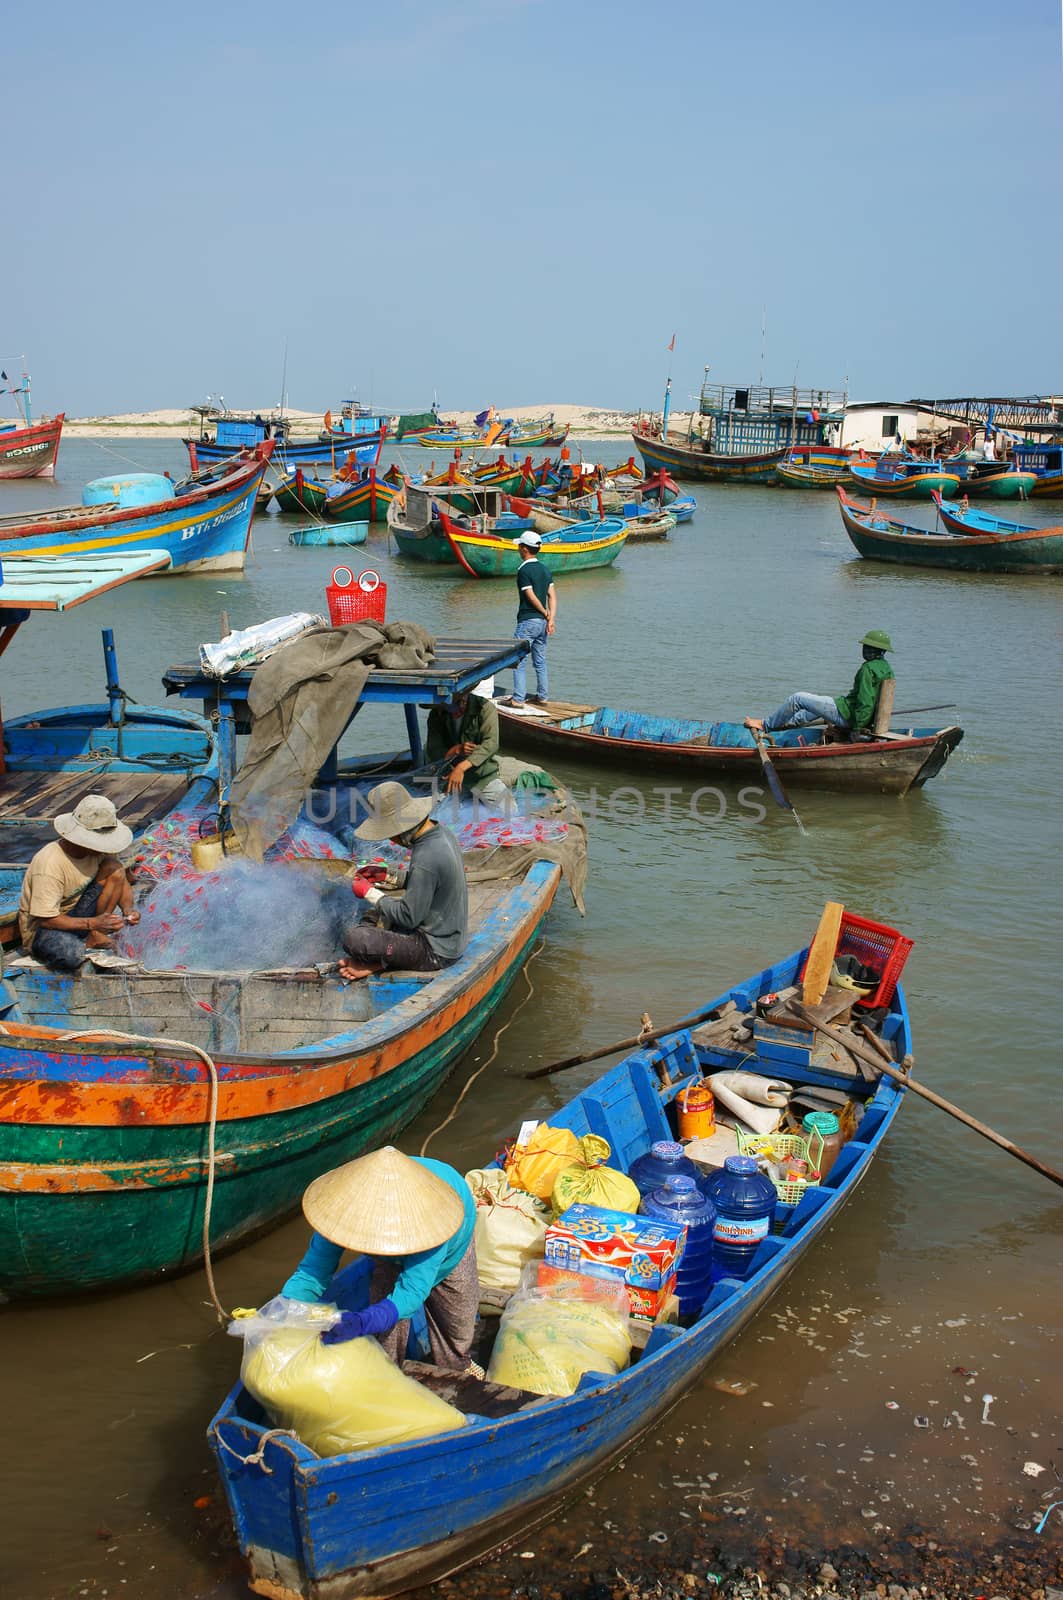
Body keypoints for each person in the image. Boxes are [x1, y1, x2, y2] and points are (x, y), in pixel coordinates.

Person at [281, 1146, 479, 1371]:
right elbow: (312, 1273)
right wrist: (284, 1307)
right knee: (385, 1336)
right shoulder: (340, 1211)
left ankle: (459, 1364)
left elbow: (412, 1292)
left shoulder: (434, 1219)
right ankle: (388, 1371)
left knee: (457, 1325)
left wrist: (362, 1321)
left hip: (450, 1240)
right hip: (391, 1255)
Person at [341, 781, 467, 980]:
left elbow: (409, 917)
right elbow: (429, 882)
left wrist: (368, 892)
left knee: (355, 939)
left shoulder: (427, 855)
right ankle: (380, 959)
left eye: (393, 835)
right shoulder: (441, 833)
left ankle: (377, 963)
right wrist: (389, 876)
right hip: (450, 937)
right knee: (376, 912)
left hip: (436, 951)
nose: (393, 841)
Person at [18, 795, 139, 971]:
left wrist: (129, 910)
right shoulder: (50, 863)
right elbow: (45, 920)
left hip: (82, 916)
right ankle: (90, 937)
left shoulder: (100, 852)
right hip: (45, 930)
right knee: (72, 954)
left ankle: (95, 936)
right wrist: (92, 923)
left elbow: (122, 882)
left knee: (115, 868)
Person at [745, 630, 895, 739]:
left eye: (870, 648)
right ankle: (788, 723)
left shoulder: (867, 669)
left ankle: (766, 724)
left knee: (797, 699)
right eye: (866, 647)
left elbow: (865, 702)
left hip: (849, 716)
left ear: (880, 651)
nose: (866, 650)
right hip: (853, 711)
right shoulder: (886, 668)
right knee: (815, 707)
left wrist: (856, 728)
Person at [425, 677, 510, 807]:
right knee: (435, 813)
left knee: (510, 812)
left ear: (462, 700)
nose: (443, 707)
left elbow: (491, 744)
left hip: (481, 776)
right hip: (448, 775)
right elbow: (434, 749)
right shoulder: (436, 715)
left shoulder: (485, 708)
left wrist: (462, 767)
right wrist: (455, 750)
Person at [498, 531, 556, 709]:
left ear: (524, 549)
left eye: (519, 546)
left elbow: (530, 595)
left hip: (527, 621)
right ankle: (543, 696)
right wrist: (551, 618)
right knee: (540, 661)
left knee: (518, 661)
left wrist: (544, 612)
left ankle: (518, 699)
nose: (517, 549)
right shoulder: (545, 569)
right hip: (542, 624)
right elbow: (552, 596)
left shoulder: (523, 570)